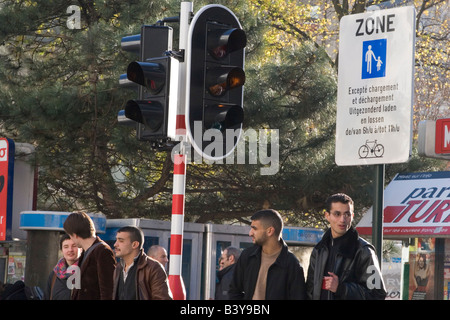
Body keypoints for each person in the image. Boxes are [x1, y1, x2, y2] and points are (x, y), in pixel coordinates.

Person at [306, 193, 386, 300]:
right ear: (327, 216)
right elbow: (310, 291)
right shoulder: (319, 249)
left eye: (347, 214)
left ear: (352, 216)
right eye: (337, 214)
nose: (342, 220)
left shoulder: (364, 251)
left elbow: (377, 294)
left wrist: (342, 289)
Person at [229, 209, 306, 300]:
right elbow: (234, 291)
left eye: (255, 228)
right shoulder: (247, 256)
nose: (250, 233)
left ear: (270, 231)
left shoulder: (292, 264)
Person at [63, 211, 116, 300]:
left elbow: (108, 291)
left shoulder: (102, 251)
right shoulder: (86, 252)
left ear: (75, 235)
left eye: (70, 236)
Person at [113, 226, 172, 300]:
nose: (115, 244)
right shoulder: (118, 268)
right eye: (116, 240)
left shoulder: (153, 268)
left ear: (134, 244)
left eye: (121, 241)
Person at [44, 234, 81, 300]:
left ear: (81, 249)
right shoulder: (54, 275)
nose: (70, 250)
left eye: (74, 246)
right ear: (62, 250)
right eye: (66, 247)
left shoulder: (86, 272)